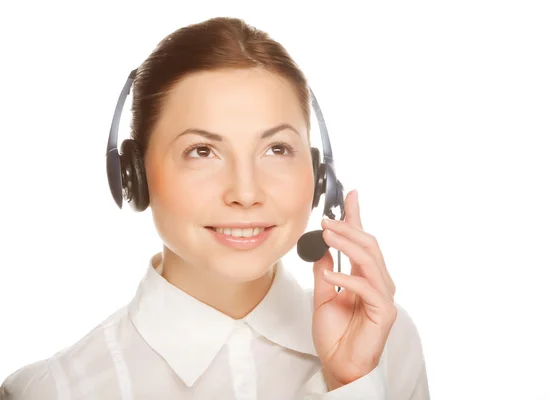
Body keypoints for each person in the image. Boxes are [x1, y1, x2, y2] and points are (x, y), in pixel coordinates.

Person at [0, 17, 429, 399]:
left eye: (277, 148)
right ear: (134, 174)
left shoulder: (386, 341)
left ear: (319, 175)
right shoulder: (51, 391)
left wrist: (353, 382)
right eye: (202, 151)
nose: (245, 192)